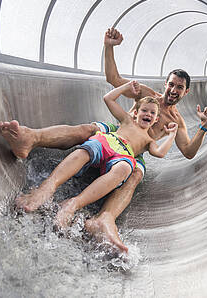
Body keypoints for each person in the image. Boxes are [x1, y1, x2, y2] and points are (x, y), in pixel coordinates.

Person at [0, 28, 207, 252]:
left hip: (136, 150)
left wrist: (204, 126)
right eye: (171, 84)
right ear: (166, 84)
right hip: (118, 130)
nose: (173, 90)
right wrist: (109, 47)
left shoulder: (177, 121)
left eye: (179, 87)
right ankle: (31, 138)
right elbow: (112, 79)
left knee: (134, 174)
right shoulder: (145, 94)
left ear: (186, 92)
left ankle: (105, 219)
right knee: (89, 129)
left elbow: (189, 151)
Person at [14, 80, 178, 231]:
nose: (148, 114)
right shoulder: (127, 120)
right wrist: (125, 87)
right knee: (88, 149)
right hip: (108, 141)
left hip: (123, 155)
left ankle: (74, 203)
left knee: (124, 169)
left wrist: (171, 135)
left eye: (152, 113)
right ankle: (48, 186)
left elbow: (160, 153)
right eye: (144, 110)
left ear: (156, 120)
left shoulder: (149, 140)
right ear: (136, 112)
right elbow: (108, 99)